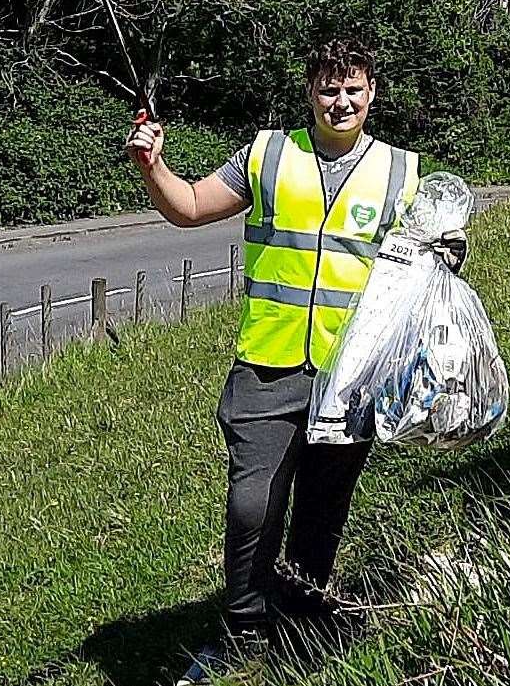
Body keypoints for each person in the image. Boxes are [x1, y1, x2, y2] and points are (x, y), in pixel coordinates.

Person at [125, 39, 422, 685]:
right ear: (308, 92)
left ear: (372, 91)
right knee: (251, 504)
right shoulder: (266, 154)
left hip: (351, 374)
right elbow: (191, 206)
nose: (340, 101)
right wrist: (153, 166)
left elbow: (427, 263)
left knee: (322, 511)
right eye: (327, 88)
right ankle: (243, 629)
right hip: (267, 362)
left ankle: (298, 631)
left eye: (352, 89)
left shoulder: (402, 172)